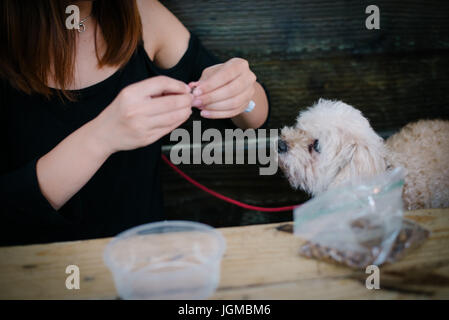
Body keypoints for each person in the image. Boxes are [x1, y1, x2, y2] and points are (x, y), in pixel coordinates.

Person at [0, 0, 270, 245]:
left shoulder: (142, 14)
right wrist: (101, 137)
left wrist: (241, 92)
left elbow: (253, 117)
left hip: (142, 266)